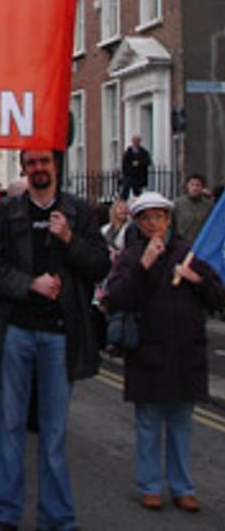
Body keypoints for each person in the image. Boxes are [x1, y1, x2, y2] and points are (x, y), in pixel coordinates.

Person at [0, 149, 110, 531]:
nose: (38, 168)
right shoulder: (6, 212)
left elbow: (100, 265)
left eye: (43, 162)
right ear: (24, 168)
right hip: (15, 331)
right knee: (10, 427)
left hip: (61, 334)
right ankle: (4, 514)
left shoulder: (78, 212)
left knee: (53, 432)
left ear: (55, 166)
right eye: (31, 163)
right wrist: (28, 283)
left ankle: (58, 517)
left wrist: (69, 239)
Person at [104, 192, 225, 512]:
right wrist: (143, 266)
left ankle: (183, 487)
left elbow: (217, 297)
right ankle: (150, 485)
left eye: (158, 217)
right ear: (138, 223)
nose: (152, 224)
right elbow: (117, 297)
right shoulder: (131, 256)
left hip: (185, 352)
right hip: (149, 352)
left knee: (181, 425)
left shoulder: (189, 253)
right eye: (146, 218)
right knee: (148, 424)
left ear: (168, 220)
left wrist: (197, 279)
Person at [172, 174, 213, 243]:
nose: (195, 188)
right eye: (192, 185)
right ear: (187, 186)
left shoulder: (209, 206)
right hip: (182, 242)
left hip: (202, 242)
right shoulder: (178, 204)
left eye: (198, 185)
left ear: (202, 187)